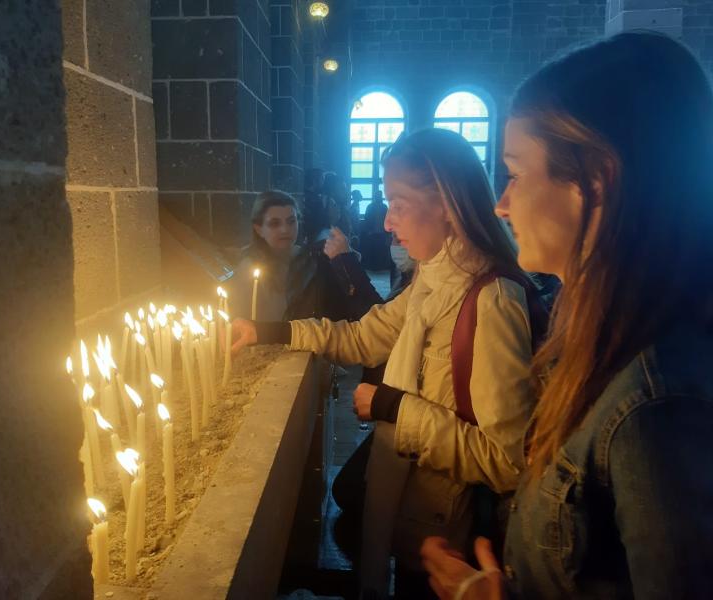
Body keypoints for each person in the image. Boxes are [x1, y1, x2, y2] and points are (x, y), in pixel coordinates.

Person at [422, 32, 713, 599]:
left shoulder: (656, 408)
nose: (502, 203)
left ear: (594, 180)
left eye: (516, 172)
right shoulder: (593, 335)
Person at [230, 129, 545, 599]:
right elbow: (363, 335)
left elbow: (505, 462)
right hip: (417, 522)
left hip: (453, 547)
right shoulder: (433, 279)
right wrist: (267, 332)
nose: (386, 222)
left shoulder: (491, 300)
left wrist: (393, 407)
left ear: (446, 202)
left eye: (398, 203)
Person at [230, 190, 381, 323]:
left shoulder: (308, 257)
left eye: (291, 221)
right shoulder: (249, 270)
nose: (285, 230)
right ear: (259, 229)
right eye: (274, 223)